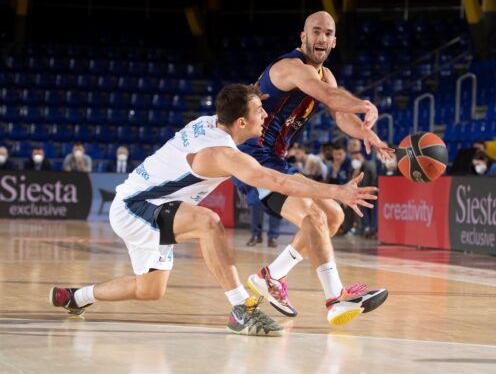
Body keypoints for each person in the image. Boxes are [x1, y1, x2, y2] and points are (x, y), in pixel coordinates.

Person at [50, 84, 379, 336]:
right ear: (241, 121)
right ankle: (241, 309)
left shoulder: (213, 122)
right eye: (259, 111)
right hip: (135, 207)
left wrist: (252, 95)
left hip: (150, 204)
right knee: (208, 222)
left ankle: (76, 297)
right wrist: (337, 191)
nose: (265, 116)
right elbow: (277, 181)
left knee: (148, 290)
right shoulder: (221, 154)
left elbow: (234, 101)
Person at [234, 11, 392, 325]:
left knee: (333, 216)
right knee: (314, 216)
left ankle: (271, 276)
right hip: (252, 159)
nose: (321, 38)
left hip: (275, 160)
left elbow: (340, 112)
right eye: (316, 32)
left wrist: (365, 132)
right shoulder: (291, 67)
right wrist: (365, 105)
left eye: (328, 33)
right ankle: (336, 298)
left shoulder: (326, 74)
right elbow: (328, 95)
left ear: (334, 41)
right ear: (303, 37)